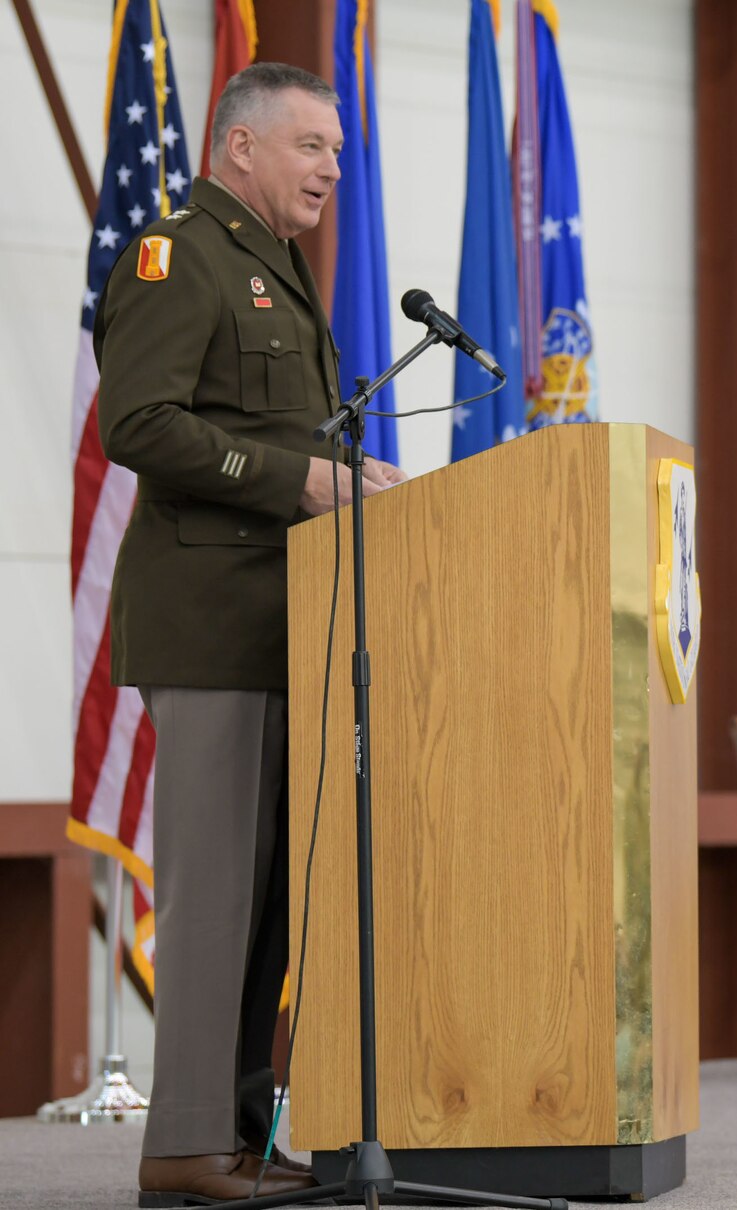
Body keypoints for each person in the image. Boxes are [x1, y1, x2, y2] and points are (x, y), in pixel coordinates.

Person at [95, 63, 405, 1204]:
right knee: (215, 892)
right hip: (212, 622)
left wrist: (339, 471)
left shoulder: (276, 268)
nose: (334, 165)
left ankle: (237, 1133)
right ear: (237, 149)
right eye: (312, 144)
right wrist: (299, 480)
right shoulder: (177, 256)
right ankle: (179, 1146)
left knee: (273, 901)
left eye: (336, 147)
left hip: (290, 624)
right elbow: (138, 420)